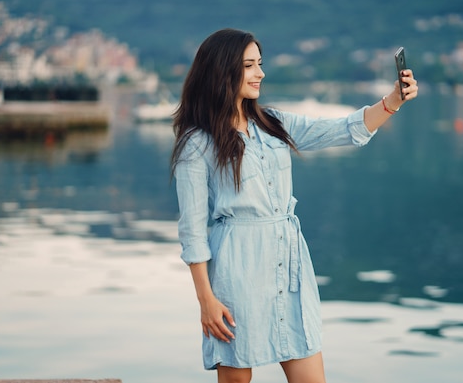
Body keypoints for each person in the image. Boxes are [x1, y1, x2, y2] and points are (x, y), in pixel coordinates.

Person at [171, 28, 418, 383]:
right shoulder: (197, 143)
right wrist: (205, 300)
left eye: (260, 63)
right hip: (238, 267)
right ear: (222, 71)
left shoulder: (273, 124)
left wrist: (393, 99)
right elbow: (193, 232)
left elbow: (345, 129)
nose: (260, 73)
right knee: (237, 379)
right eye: (249, 66)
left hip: (291, 269)